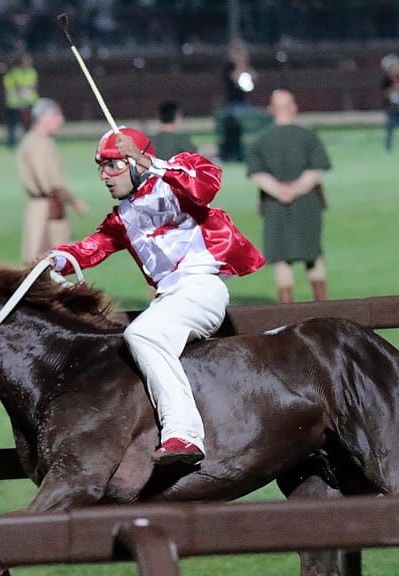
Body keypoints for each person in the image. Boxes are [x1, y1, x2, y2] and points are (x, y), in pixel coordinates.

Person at [50, 127, 265, 465]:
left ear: (133, 162)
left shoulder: (175, 176)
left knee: (141, 333)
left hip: (200, 289)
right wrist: (55, 259)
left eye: (112, 166)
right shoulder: (121, 217)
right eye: (100, 168)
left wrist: (146, 160)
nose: (104, 177)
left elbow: (206, 185)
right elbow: (89, 249)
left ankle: (186, 436)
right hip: (169, 299)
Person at [246, 90, 331, 304]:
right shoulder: (309, 136)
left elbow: (257, 174)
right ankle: (322, 307)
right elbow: (317, 169)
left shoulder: (259, 141)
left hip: (274, 204)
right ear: (294, 108)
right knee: (313, 254)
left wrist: (278, 190)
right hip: (307, 202)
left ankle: (286, 309)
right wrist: (297, 188)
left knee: (281, 257)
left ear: (271, 110)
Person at [16, 98, 88, 264]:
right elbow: (51, 184)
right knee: (47, 263)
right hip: (47, 211)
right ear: (43, 118)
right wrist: (75, 203)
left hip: (41, 208)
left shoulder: (31, 140)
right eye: (57, 115)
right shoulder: (41, 143)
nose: (61, 120)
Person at [218, 40, 257, 161]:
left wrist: (245, 66)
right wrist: (240, 65)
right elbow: (236, 79)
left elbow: (252, 81)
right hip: (232, 104)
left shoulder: (247, 68)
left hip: (244, 103)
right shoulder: (228, 68)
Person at [3, 50, 39, 148]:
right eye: (25, 61)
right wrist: (23, 92)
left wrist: (26, 91)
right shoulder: (13, 73)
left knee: (28, 125)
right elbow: (14, 87)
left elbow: (34, 86)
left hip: (29, 102)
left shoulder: (32, 72)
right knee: (12, 125)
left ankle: (30, 143)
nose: (27, 63)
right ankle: (11, 144)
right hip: (14, 103)